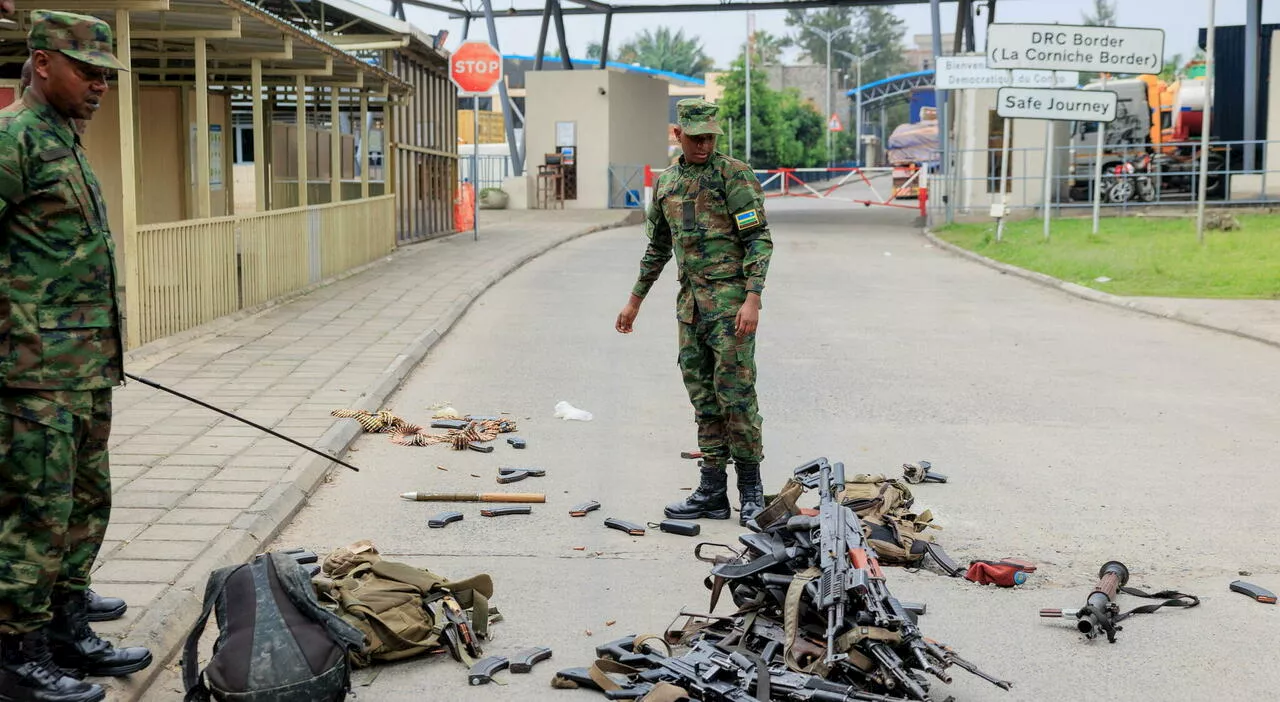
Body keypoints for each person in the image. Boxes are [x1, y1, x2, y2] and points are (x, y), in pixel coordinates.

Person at [1, 10, 153, 702]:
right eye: (87, 70)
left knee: (82, 506)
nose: (100, 86)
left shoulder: (61, 136)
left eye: (106, 75)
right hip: (31, 376)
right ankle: (15, 656)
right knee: (33, 514)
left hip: (82, 368)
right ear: (41, 62)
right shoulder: (14, 140)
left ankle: (65, 630)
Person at [616, 98, 774, 526]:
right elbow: (658, 247)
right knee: (704, 400)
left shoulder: (733, 176)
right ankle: (711, 491)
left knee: (737, 400)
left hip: (731, 311)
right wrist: (635, 300)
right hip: (691, 311)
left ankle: (752, 492)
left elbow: (758, 239)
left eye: (709, 137)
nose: (703, 144)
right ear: (677, 134)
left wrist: (753, 297)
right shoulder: (667, 183)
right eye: (695, 137)